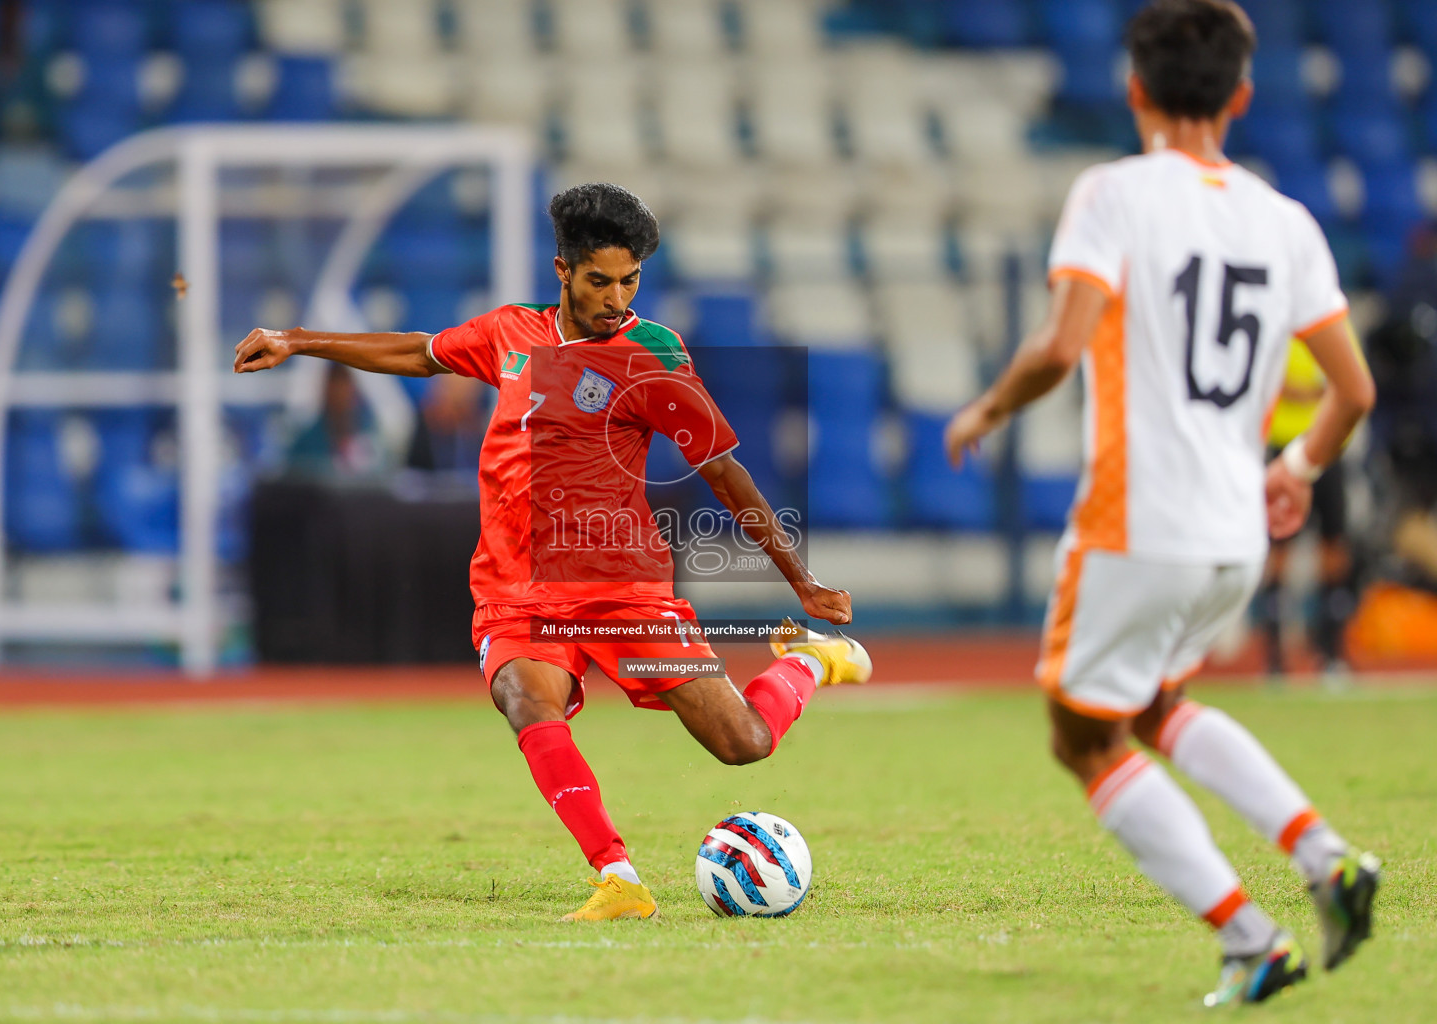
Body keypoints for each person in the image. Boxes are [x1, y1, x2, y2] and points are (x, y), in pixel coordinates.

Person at [234, 182, 871, 921]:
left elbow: (723, 470)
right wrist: (298, 341)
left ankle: (806, 661)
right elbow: (419, 351)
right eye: (600, 280)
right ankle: (618, 878)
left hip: (623, 587)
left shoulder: (654, 352)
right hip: (517, 589)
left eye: (630, 280)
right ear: (563, 270)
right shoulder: (510, 333)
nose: (616, 297)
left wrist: (802, 581)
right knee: (524, 698)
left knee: (744, 745)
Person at [945, 0, 1379, 1006]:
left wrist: (987, 405)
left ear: (1133, 88)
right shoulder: (1287, 220)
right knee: (1153, 704)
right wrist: (1298, 469)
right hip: (1234, 527)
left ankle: (1251, 937)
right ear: (1242, 96)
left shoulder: (1113, 193)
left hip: (1140, 520)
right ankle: (1326, 858)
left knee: (1079, 734)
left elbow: (1059, 343)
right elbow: (1353, 391)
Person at [1259, 338, 1355, 677]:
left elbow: (1350, 383)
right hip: (1285, 448)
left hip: (1328, 449)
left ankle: (1331, 655)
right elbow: (1348, 388)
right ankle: (1274, 659)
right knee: (1278, 551)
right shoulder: (1281, 328)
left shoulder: (1337, 324)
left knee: (1333, 551)